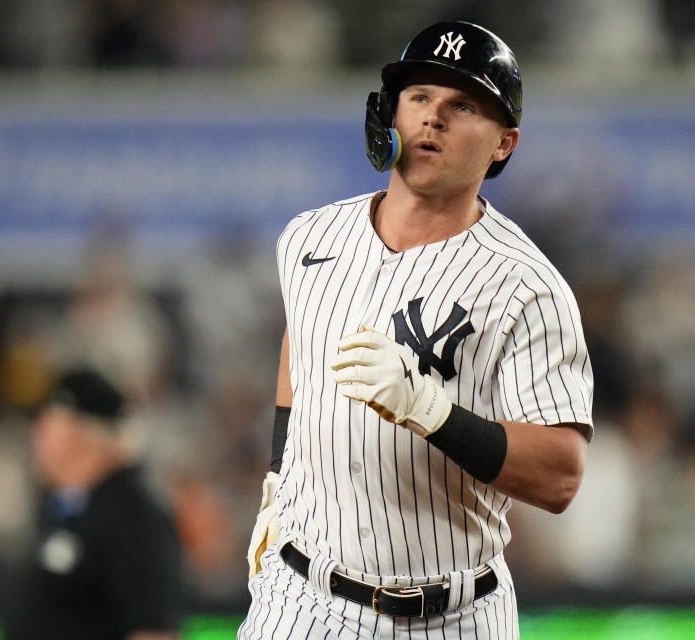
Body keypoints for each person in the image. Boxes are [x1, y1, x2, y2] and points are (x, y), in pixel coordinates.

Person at [240, 21, 594, 639]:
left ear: (504, 143)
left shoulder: (527, 286)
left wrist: (432, 411)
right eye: (420, 97)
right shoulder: (310, 238)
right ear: (390, 112)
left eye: (463, 105)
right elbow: (302, 348)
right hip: (300, 598)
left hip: (453, 613)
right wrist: (278, 474)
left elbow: (561, 474)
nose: (434, 119)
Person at [7, 366, 183, 640]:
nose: (35, 435)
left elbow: (153, 631)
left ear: (78, 433)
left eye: (45, 423)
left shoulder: (134, 514)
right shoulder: (63, 506)